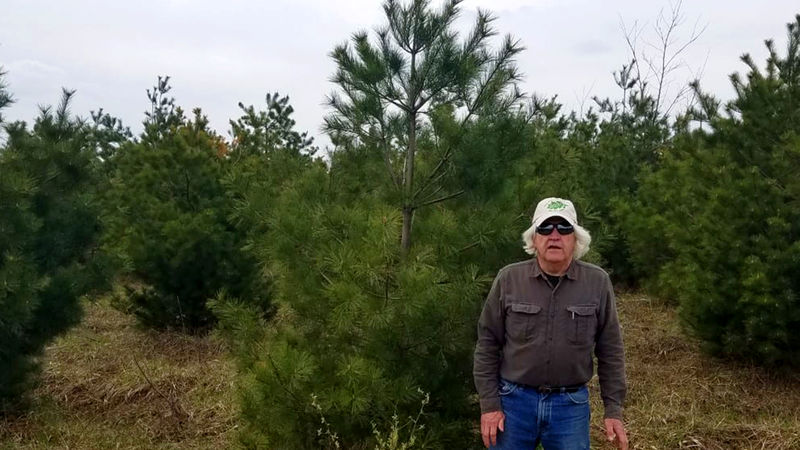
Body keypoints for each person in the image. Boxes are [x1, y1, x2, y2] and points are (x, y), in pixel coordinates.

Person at [473, 197, 628, 449]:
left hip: (570, 407)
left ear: (576, 238)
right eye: (545, 228)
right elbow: (487, 344)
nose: (554, 235)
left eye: (564, 228)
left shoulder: (597, 283)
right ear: (534, 238)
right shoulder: (509, 279)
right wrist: (490, 405)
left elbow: (611, 350)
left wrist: (613, 409)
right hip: (513, 404)